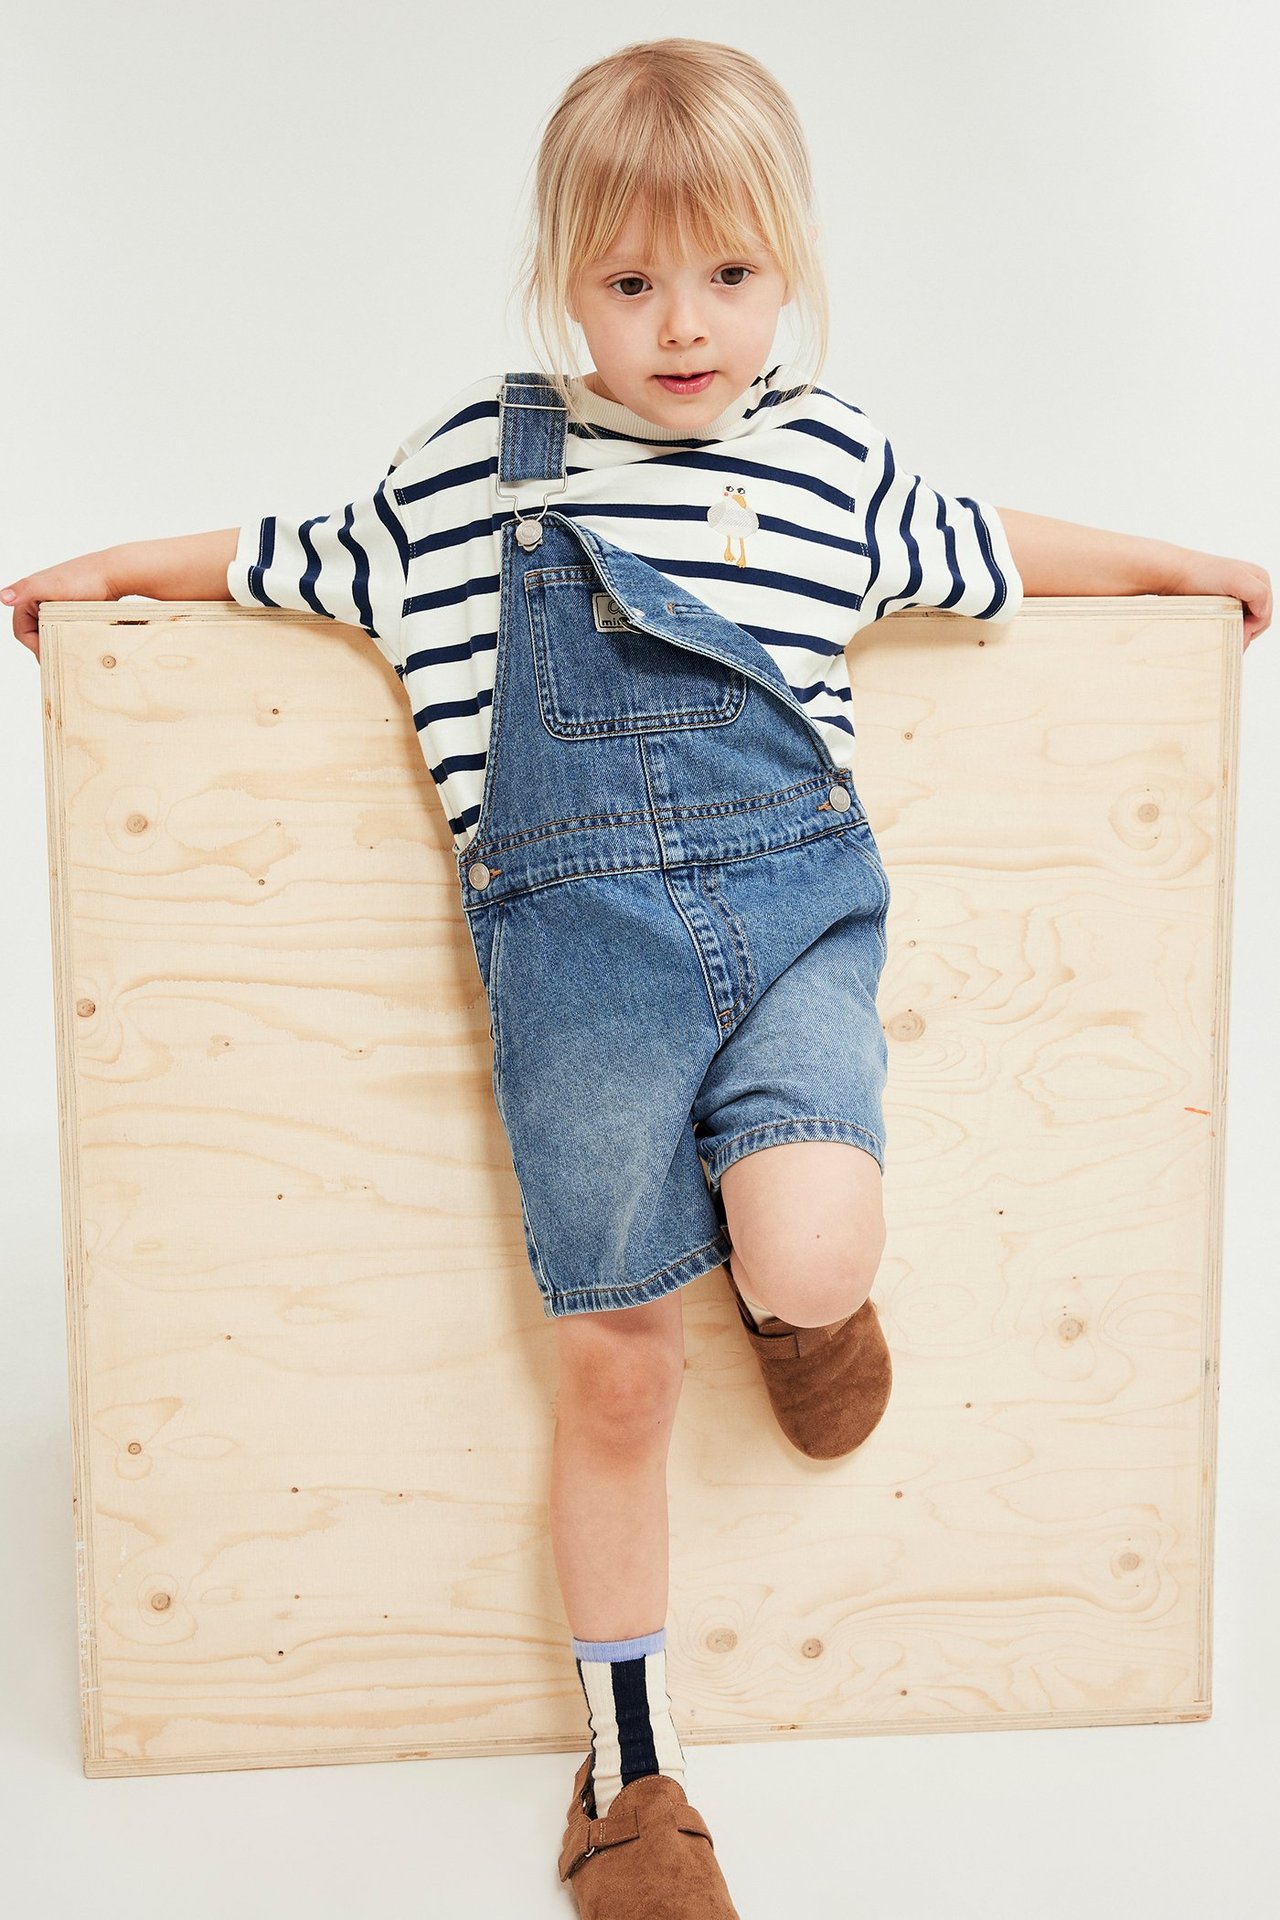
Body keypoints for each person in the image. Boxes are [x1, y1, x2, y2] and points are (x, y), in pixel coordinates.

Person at [4, 34, 1270, 1919]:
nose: (683, 325)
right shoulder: (468, 479)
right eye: (629, 282)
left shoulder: (834, 457)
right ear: (560, 278)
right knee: (611, 1372)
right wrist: (104, 572)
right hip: (579, 975)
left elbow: (985, 543)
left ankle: (795, 1294)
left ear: (792, 268)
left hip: (793, 937)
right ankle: (633, 1770)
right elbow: (286, 554)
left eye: (731, 277)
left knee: (819, 1239)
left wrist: (1187, 565)